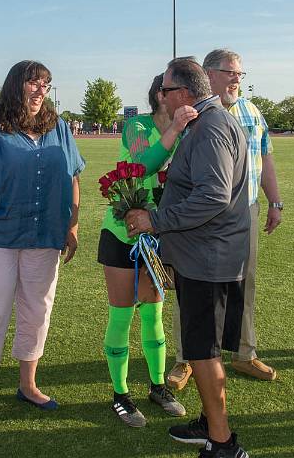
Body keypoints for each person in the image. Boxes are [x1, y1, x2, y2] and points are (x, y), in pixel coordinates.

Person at [126, 58, 250, 458]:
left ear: (182, 93)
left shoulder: (211, 127)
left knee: (202, 351)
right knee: (203, 347)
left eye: (163, 89)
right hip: (208, 255)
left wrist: (155, 219)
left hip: (208, 259)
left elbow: (213, 196)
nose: (159, 96)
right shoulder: (209, 121)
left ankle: (223, 441)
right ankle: (211, 422)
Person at [0, 60, 85, 419]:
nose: (40, 89)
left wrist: (72, 224)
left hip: (45, 236)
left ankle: (28, 384)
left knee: (37, 311)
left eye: (46, 83)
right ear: (16, 85)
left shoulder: (59, 127)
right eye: (33, 82)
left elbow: (74, 177)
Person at [167, 49, 282, 390]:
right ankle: (186, 358)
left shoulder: (250, 111)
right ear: (208, 74)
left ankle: (244, 352)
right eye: (230, 72)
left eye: (239, 74)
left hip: (244, 211)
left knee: (244, 284)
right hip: (199, 215)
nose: (236, 78)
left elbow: (266, 158)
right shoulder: (186, 114)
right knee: (190, 287)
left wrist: (275, 201)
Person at [98, 73, 192, 428]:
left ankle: (157, 387)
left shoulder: (187, 131)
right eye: (176, 91)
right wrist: (174, 130)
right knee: (122, 314)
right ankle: (120, 395)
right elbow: (141, 167)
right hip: (122, 232)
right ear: (160, 95)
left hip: (158, 234)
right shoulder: (136, 125)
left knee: (153, 313)